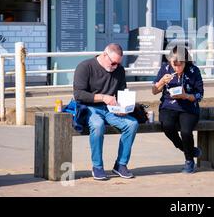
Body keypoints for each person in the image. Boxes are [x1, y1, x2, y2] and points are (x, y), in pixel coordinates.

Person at [73, 43, 138, 180]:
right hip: (89, 107)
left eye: (118, 63)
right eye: (113, 62)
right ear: (104, 54)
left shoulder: (119, 70)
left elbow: (122, 92)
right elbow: (78, 94)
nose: (115, 66)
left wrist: (123, 107)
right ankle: (97, 166)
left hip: (111, 109)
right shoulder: (85, 67)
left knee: (132, 124)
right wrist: (103, 97)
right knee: (97, 125)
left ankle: (120, 165)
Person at [152, 46, 204, 173]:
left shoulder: (194, 71)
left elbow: (200, 95)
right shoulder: (165, 68)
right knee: (167, 126)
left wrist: (186, 95)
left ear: (185, 62)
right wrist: (161, 82)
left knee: (186, 131)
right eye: (173, 65)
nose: (176, 68)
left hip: (188, 107)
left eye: (179, 65)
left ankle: (189, 160)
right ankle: (188, 149)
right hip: (168, 106)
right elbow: (154, 91)